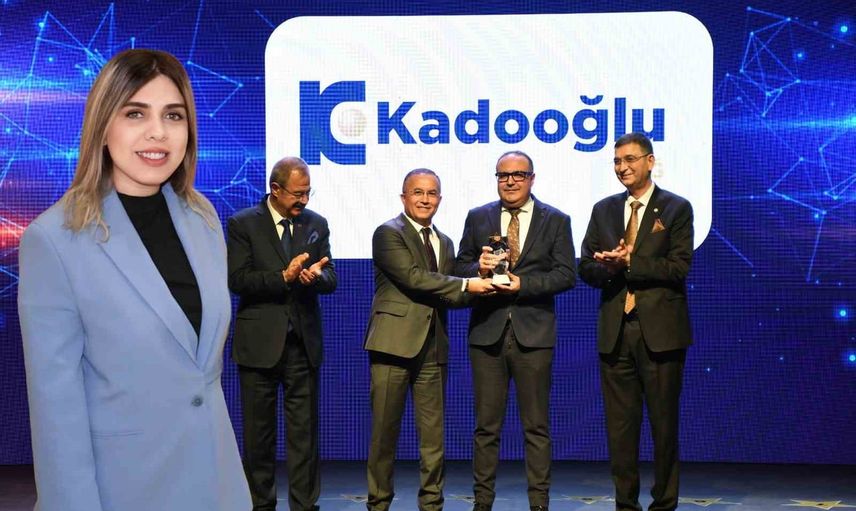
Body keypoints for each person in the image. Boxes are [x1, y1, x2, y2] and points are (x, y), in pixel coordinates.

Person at [17, 49, 251, 511]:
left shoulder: (202, 218)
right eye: (135, 113)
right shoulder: (54, 239)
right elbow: (56, 412)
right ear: (103, 125)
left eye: (173, 115)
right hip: (123, 490)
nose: (158, 132)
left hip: (216, 485)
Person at [365, 168, 493, 511]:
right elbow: (413, 278)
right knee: (384, 435)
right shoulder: (388, 233)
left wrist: (486, 282)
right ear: (404, 197)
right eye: (418, 192)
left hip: (434, 347)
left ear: (440, 199)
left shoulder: (445, 241)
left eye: (432, 193)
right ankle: (378, 503)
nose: (425, 199)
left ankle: (432, 504)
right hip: (392, 345)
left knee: (433, 438)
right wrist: (467, 284)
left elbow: (448, 293)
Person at [455, 151, 576, 511]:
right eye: (503, 175)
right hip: (487, 334)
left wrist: (524, 285)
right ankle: (482, 502)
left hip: (533, 335)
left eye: (518, 174)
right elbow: (459, 266)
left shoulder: (556, 220)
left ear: (531, 178)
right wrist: (478, 268)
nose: (510, 181)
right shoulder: (478, 217)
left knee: (536, 427)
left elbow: (566, 275)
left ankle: (539, 503)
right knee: (486, 427)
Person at [579, 132, 693, 511]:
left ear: (650, 161)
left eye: (630, 159)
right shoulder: (604, 210)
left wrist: (630, 262)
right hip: (616, 332)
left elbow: (678, 268)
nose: (622, 167)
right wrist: (608, 266)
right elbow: (585, 267)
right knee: (620, 429)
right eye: (617, 161)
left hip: (660, 333)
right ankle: (625, 504)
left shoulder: (676, 208)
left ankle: (664, 504)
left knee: (664, 426)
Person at [227, 156, 336, 511]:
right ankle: (261, 504)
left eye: (307, 193)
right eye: (297, 193)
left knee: (304, 436)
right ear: (275, 189)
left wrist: (315, 277)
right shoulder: (244, 223)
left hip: (302, 345)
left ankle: (305, 505)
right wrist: (283, 278)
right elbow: (237, 279)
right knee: (258, 437)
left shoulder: (316, 224)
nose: (303, 200)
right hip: (259, 346)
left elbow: (331, 277)